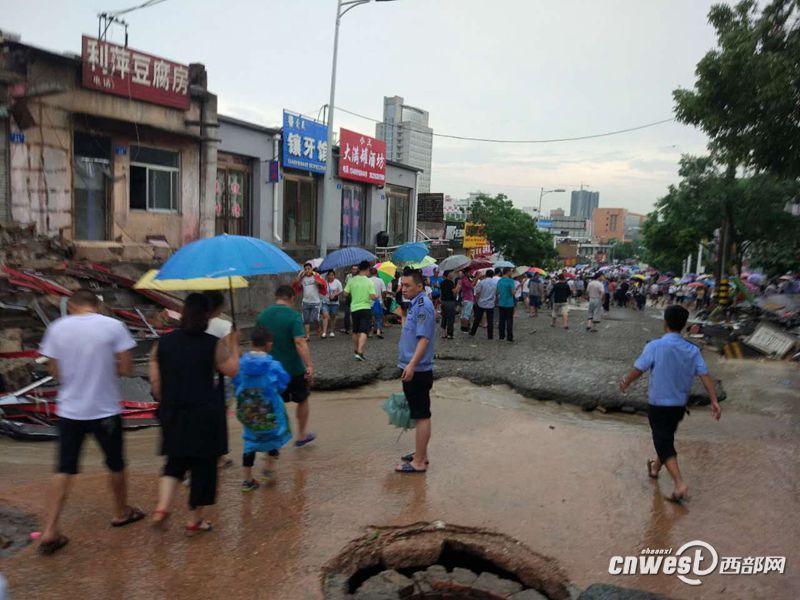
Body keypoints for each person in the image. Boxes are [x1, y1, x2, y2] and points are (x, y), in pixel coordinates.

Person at [37, 289, 142, 555]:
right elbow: (127, 369)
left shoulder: (57, 328)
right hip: (105, 409)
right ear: (96, 305)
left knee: (64, 468)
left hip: (70, 410)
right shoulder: (114, 326)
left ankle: (50, 529)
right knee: (115, 463)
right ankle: (120, 511)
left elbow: (55, 370)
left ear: (71, 306)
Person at [150, 293, 240, 534]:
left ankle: (162, 507)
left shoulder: (163, 343)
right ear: (207, 315)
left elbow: (156, 382)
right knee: (203, 467)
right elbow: (232, 370)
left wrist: (165, 402)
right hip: (204, 413)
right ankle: (194, 521)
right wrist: (234, 342)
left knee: (174, 462)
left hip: (172, 411)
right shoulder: (212, 343)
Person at [620, 305, 721, 502]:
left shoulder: (655, 346)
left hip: (659, 404)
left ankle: (680, 485)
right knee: (666, 437)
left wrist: (626, 382)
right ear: (684, 326)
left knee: (662, 441)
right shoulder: (693, 349)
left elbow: (639, 369)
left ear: (665, 322)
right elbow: (704, 374)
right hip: (679, 405)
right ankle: (656, 468)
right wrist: (714, 400)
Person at [256, 285, 315, 447]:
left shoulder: (262, 317)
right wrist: (309, 365)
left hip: (270, 371)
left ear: (276, 297)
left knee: (273, 403)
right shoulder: (294, 316)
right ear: (292, 297)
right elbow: (299, 342)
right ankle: (301, 435)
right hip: (294, 369)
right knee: (302, 399)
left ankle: (273, 438)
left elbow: (258, 344)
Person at [234, 327, 291, 492]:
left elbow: (237, 384)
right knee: (275, 435)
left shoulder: (241, 364)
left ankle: (247, 480)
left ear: (251, 343)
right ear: (268, 345)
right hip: (270, 408)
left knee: (250, 441)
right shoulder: (273, 365)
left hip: (249, 409)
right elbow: (282, 384)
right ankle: (269, 468)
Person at [396, 270, 436, 474]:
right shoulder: (414, 304)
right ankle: (421, 454)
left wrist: (411, 365)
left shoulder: (423, 306)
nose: (403, 288)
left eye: (407, 285)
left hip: (418, 369)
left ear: (419, 286)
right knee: (420, 413)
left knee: (422, 416)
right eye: (402, 285)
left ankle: (419, 461)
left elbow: (424, 339)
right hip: (412, 366)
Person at [203, 291, 234, 469]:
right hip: (221, 375)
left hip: (201, 376)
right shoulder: (224, 325)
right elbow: (229, 353)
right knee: (220, 416)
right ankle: (220, 455)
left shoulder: (196, 322)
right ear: (220, 306)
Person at [344, 260, 377, 361]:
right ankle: (360, 351)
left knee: (355, 330)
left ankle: (355, 350)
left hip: (354, 309)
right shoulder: (369, 281)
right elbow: (372, 296)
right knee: (364, 331)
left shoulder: (351, 280)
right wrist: (375, 296)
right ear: (367, 269)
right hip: (365, 308)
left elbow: (345, 294)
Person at [296, 262, 324, 340]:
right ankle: (307, 336)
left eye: (309, 269)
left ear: (311, 269)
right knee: (306, 320)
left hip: (315, 302)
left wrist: (317, 280)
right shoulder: (303, 278)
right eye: (305, 269)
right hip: (305, 301)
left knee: (315, 318)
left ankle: (318, 329)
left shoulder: (316, 276)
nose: (307, 270)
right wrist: (300, 276)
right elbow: (297, 286)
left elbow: (322, 284)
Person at [470, 269, 498, 339]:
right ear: (492, 275)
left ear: (486, 275)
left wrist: (476, 300)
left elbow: (478, 293)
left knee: (477, 319)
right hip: (490, 303)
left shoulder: (482, 282)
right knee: (490, 320)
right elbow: (496, 293)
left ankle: (473, 332)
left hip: (481, 303)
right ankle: (490, 336)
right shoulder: (495, 283)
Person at [496, 267, 516, 342]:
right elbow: (513, 292)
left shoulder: (500, 280)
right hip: (509, 303)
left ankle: (501, 336)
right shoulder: (510, 281)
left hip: (501, 303)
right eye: (510, 271)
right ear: (507, 272)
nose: (511, 273)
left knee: (501, 320)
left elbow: (497, 292)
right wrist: (515, 290)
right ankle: (509, 337)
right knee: (509, 320)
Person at [321, 270, 343, 338]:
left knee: (333, 316)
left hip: (334, 303)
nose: (331, 277)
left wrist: (335, 294)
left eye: (332, 275)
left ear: (334, 276)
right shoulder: (324, 282)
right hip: (325, 302)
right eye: (329, 275)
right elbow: (321, 290)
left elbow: (341, 291)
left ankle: (332, 331)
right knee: (325, 316)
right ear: (327, 276)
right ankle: (324, 332)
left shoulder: (337, 282)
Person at [439, 270, 458, 339]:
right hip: (449, 302)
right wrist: (458, 286)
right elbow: (454, 292)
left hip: (443, 302)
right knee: (450, 318)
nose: (452, 275)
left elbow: (441, 292)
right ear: (448, 275)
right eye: (451, 274)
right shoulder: (450, 283)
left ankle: (443, 333)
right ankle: (450, 334)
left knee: (444, 317)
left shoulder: (442, 283)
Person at [341, 265, 359, 334]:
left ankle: (355, 327)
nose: (354, 270)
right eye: (353, 269)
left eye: (356, 269)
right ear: (351, 269)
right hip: (348, 296)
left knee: (355, 313)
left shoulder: (359, 277)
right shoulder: (348, 276)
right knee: (347, 313)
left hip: (356, 296)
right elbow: (346, 284)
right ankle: (347, 328)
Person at [369, 267, 387, 338]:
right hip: (379, 301)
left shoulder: (367, 280)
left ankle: (370, 332)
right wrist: (382, 299)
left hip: (369, 301)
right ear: (376, 273)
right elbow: (384, 291)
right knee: (378, 317)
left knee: (370, 317)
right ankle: (378, 331)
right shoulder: (380, 280)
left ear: (370, 273)